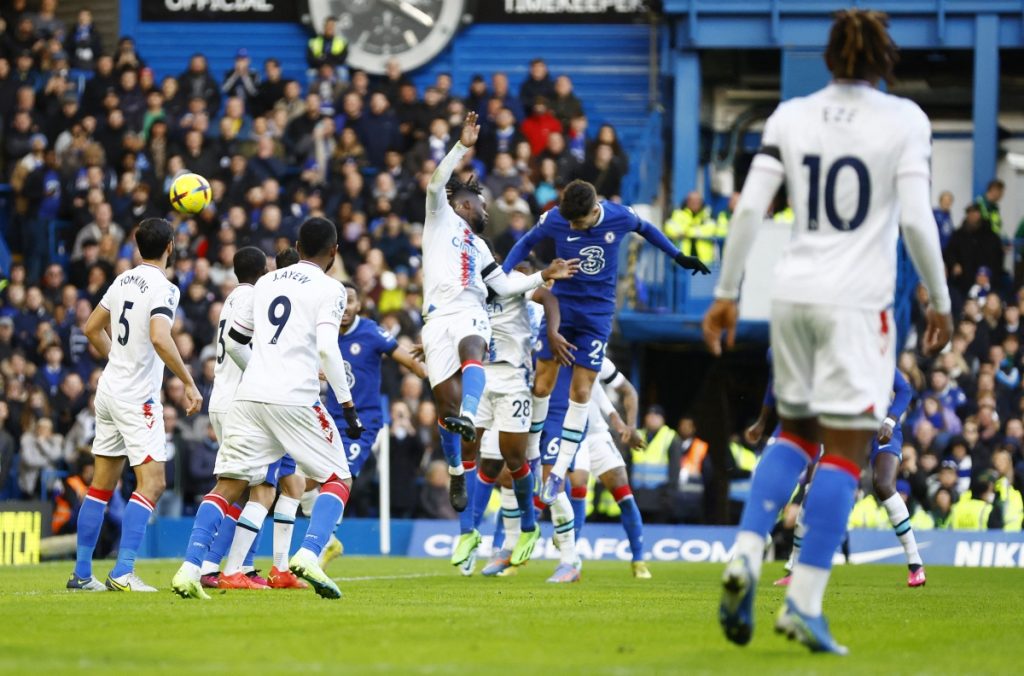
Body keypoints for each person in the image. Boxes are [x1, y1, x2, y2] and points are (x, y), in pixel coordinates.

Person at [702, 10, 952, 655]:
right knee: (845, 450)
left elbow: (752, 207)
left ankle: (746, 555)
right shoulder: (906, 121)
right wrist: (940, 301)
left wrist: (726, 295)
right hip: (856, 304)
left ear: (830, 58)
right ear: (883, 58)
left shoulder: (791, 115)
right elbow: (919, 223)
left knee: (794, 433)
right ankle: (804, 604)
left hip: (791, 293)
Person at [171, 217, 365, 601]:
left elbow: (236, 338)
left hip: (250, 396)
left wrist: (263, 367)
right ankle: (308, 554)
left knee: (228, 485)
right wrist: (347, 404)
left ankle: (189, 568)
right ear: (334, 252)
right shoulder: (331, 288)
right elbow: (328, 347)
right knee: (338, 478)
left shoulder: (265, 282)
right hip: (295, 397)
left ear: (296, 244)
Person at [502, 178, 708, 508]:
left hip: (596, 316)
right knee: (541, 386)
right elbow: (525, 243)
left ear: (594, 209)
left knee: (581, 392)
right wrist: (501, 275)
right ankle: (531, 454)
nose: (571, 226)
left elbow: (647, 228)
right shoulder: (556, 217)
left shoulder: (618, 216)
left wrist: (678, 255)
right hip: (562, 308)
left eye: (577, 223)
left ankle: (557, 472)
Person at [418, 111, 577, 514]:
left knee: (475, 348)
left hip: (470, 311)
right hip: (436, 319)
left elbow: (504, 286)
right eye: (482, 205)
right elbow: (437, 181)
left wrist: (543, 274)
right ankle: (456, 469)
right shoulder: (438, 219)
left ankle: (470, 416)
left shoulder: (481, 247)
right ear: (464, 202)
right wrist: (461, 147)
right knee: (444, 407)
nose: (487, 212)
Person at [67, 218, 203, 592]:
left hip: (110, 390)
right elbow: (161, 338)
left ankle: (82, 574)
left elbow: (92, 328)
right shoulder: (165, 288)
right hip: (137, 396)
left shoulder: (123, 279)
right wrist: (188, 381)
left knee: (101, 485)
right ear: (171, 247)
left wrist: (117, 361)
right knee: (154, 482)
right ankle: (123, 571)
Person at [198, 246, 310, 591]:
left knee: (254, 489)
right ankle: (208, 566)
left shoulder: (234, 297)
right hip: (240, 402)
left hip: (226, 397)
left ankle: (242, 566)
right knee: (245, 489)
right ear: (263, 270)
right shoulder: (253, 298)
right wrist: (264, 374)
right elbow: (236, 344)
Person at [451, 261, 566, 576]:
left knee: (516, 460)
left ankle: (529, 528)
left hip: (517, 380)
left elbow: (549, 299)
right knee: (472, 454)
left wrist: (553, 333)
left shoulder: (517, 286)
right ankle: (469, 532)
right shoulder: (474, 296)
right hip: (482, 378)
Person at [312, 280, 427, 565]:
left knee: (341, 474)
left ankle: (321, 542)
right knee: (303, 481)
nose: (345, 308)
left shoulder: (371, 332)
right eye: (341, 302)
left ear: (359, 304)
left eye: (350, 301)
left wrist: (430, 369)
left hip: (362, 422)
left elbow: (409, 361)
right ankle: (328, 541)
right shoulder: (321, 333)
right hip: (326, 418)